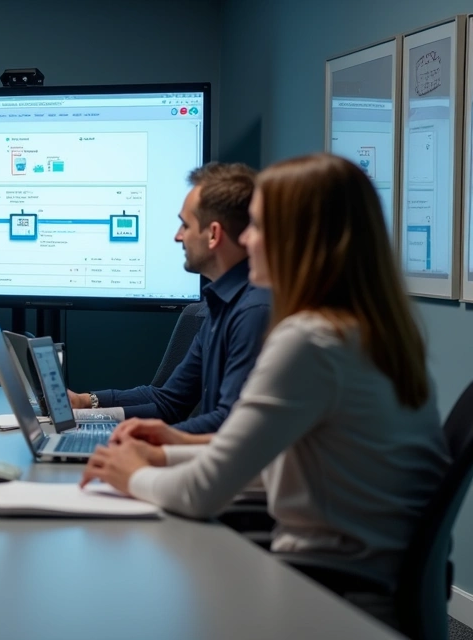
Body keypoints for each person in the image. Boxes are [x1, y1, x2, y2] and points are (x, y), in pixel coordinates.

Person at [81, 153, 450, 624]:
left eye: (256, 226)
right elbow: (282, 463)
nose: (246, 239)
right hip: (366, 584)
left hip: (329, 599)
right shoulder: (372, 332)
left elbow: (201, 493)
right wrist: (166, 455)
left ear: (297, 239)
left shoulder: (308, 340)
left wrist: (129, 475)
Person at [67, 162, 270, 434]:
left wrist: (156, 444)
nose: (178, 236)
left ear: (213, 234)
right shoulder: (221, 306)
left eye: (185, 225)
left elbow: (229, 424)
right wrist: (87, 405)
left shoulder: (254, 312)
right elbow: (169, 401)